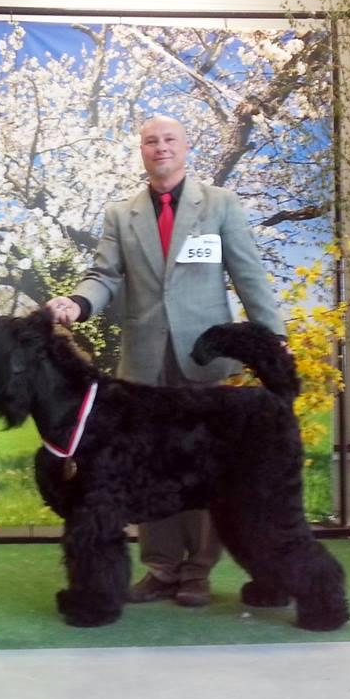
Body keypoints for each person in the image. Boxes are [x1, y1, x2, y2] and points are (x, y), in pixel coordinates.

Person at [45, 114, 285, 608]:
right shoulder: (121, 214)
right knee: (146, 469)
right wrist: (77, 303)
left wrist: (274, 337)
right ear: (141, 150)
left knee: (206, 470)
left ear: (185, 146)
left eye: (169, 139)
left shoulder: (220, 204)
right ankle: (160, 570)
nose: (160, 148)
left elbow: (249, 275)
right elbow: (105, 276)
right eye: (150, 141)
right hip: (144, 362)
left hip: (206, 359)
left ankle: (197, 573)